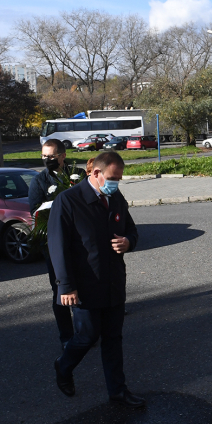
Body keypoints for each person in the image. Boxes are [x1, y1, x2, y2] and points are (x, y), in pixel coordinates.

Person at [49, 151, 144, 407]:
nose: (116, 183)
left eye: (119, 179)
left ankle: (118, 391)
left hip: (113, 281)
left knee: (113, 339)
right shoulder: (68, 201)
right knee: (87, 336)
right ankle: (64, 366)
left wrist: (129, 242)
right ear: (95, 174)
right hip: (85, 284)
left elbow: (131, 230)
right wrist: (66, 286)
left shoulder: (115, 198)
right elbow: (58, 248)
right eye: (113, 178)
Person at [28, 139, 77, 349]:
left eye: (51, 156)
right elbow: (35, 212)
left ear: (63, 156)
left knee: (83, 286)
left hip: (78, 242)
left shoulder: (77, 175)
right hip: (53, 244)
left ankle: (86, 332)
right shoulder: (39, 180)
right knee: (60, 290)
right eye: (44, 156)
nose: (47, 160)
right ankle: (67, 336)